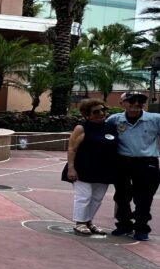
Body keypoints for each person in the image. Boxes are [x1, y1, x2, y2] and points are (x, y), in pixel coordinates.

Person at [107, 91, 160, 240]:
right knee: (121, 197)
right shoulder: (114, 120)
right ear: (122, 103)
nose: (136, 105)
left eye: (140, 101)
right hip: (122, 162)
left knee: (144, 198)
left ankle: (141, 228)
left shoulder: (155, 119)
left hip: (147, 163)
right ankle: (124, 225)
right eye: (132, 101)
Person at [66, 98, 119, 235]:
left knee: (97, 198)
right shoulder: (82, 128)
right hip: (83, 169)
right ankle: (80, 223)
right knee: (84, 196)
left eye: (103, 110)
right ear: (86, 114)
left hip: (104, 170)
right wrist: (71, 168)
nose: (101, 113)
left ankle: (89, 221)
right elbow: (72, 149)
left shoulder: (111, 127)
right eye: (96, 112)